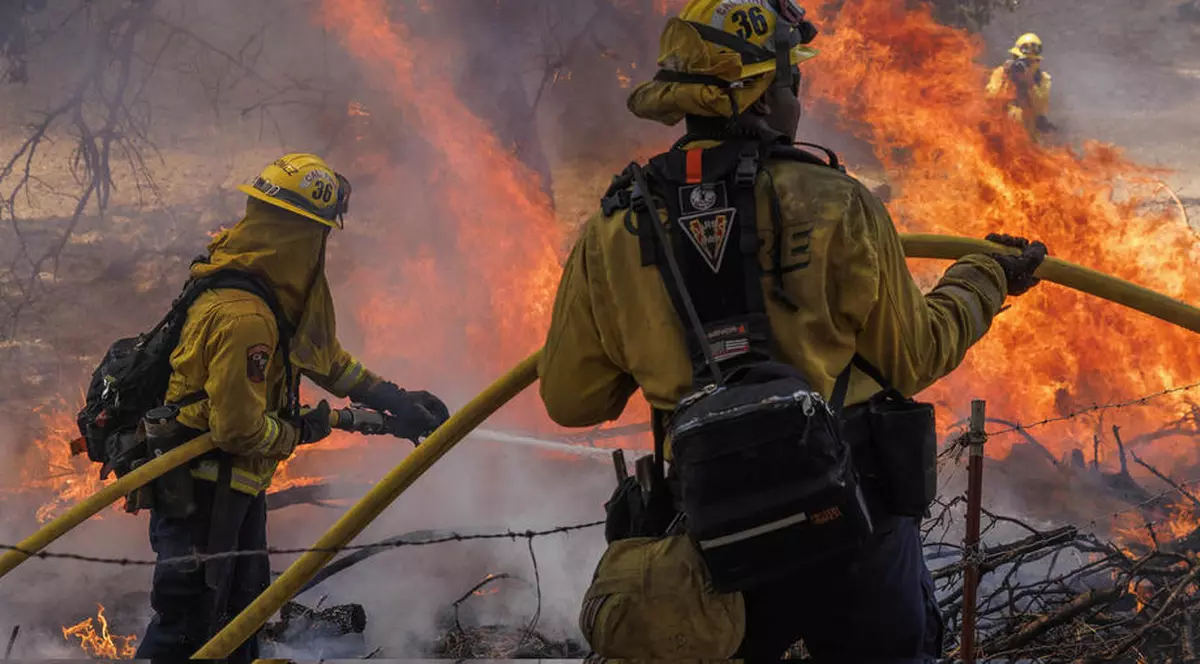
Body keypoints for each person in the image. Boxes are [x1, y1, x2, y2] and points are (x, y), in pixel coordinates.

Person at [538, 0, 1048, 660]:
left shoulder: (610, 230)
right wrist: (984, 276)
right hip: (851, 517)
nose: (796, 103)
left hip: (712, 534)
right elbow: (915, 353)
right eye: (790, 85)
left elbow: (573, 400)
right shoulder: (836, 203)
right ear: (758, 95)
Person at [134, 153, 450, 662]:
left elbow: (321, 356)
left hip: (238, 488)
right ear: (304, 235)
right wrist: (306, 428)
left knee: (242, 620)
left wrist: (388, 396)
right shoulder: (245, 317)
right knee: (189, 626)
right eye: (320, 234)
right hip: (203, 492)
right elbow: (237, 430)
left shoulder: (269, 292)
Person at [987, 32, 1054, 142]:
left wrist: (1030, 84)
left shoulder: (1043, 79)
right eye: (1018, 59)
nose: (1021, 65)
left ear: (1036, 61)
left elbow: (1041, 107)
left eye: (1027, 62)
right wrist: (1005, 77)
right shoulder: (1001, 73)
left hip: (1028, 142)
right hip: (1003, 138)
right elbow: (991, 98)